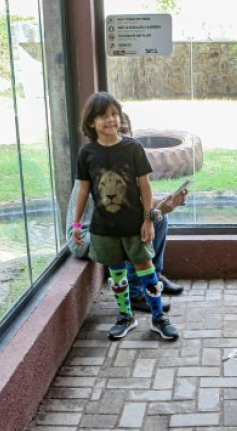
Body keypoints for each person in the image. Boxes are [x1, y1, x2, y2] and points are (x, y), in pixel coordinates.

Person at [71, 92, 181, 341]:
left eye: (114, 114)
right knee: (117, 274)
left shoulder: (133, 148)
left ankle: (158, 318)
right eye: (103, 116)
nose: (110, 120)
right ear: (91, 122)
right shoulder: (86, 153)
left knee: (147, 270)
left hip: (134, 226)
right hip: (104, 228)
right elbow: (83, 191)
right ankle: (126, 316)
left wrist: (148, 219)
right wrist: (77, 224)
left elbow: (145, 186)